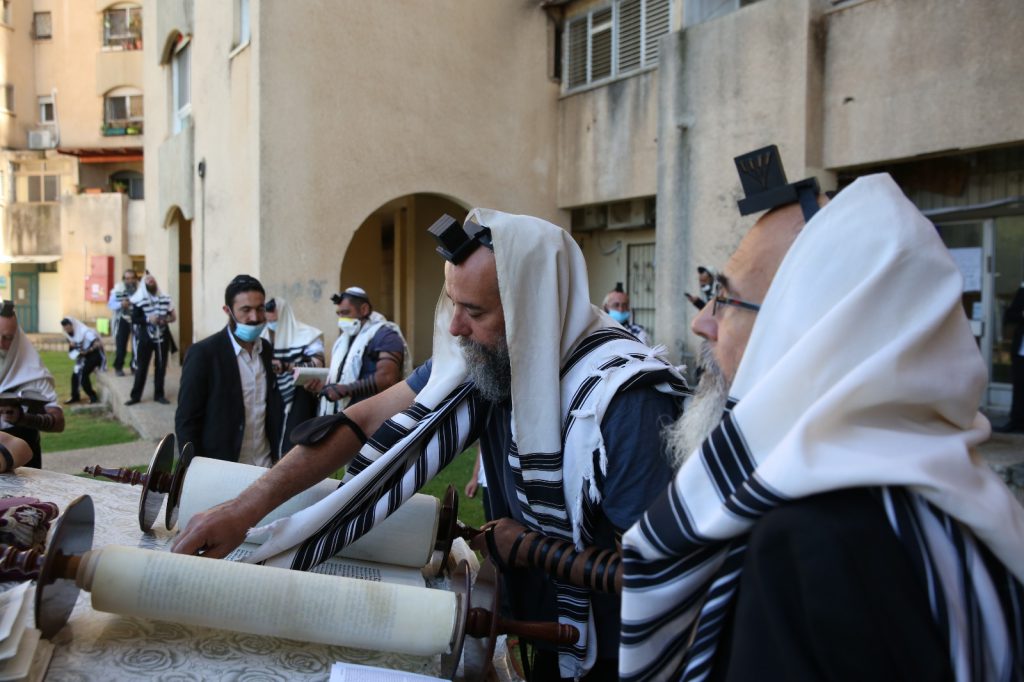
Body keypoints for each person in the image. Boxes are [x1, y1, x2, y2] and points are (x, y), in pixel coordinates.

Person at [172, 211, 686, 679]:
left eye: (475, 311)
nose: (456, 328)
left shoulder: (624, 403)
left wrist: (532, 548)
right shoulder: (484, 361)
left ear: (536, 310)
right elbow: (360, 421)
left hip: (618, 659)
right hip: (532, 633)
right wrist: (244, 511)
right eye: (453, 305)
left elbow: (669, 574)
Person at [618, 146, 1024, 681]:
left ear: (813, 333)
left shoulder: (810, 543)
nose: (704, 323)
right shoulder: (974, 498)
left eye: (726, 298)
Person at [175, 275, 284, 467]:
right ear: (228, 311)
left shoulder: (265, 350)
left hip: (264, 464)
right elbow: (187, 421)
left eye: (260, 309)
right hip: (223, 469)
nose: (255, 318)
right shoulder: (204, 354)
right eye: (246, 310)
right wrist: (193, 469)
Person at [312, 286, 408, 413]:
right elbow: (341, 377)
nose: (341, 319)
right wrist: (322, 386)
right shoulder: (344, 340)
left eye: (345, 313)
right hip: (345, 415)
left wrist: (346, 389)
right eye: (339, 314)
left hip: (374, 416)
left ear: (364, 309)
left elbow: (388, 378)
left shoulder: (386, 335)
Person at [0, 302, 64, 469]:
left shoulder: (34, 374)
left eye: (7, 338)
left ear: (16, 338)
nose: (0, 343)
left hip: (25, 468)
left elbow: (58, 422)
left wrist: (23, 418)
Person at [263, 297, 324, 452]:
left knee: (295, 441)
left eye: (275, 320)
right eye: (268, 320)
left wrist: (287, 366)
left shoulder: (307, 334)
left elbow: (317, 364)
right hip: (271, 394)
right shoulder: (263, 336)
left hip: (300, 394)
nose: (271, 324)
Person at [126, 274, 175, 406]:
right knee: (142, 367)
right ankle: (135, 396)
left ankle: (159, 395)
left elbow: (172, 316)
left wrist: (168, 319)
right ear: (144, 284)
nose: (151, 282)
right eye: (148, 281)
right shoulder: (139, 299)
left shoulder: (164, 298)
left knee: (161, 366)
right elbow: (135, 319)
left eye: (153, 281)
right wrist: (148, 319)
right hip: (145, 337)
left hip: (162, 336)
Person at [997, 282, 1024, 432]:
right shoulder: (1023, 289)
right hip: (1022, 349)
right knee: (1020, 385)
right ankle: (1017, 421)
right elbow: (1011, 314)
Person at [60, 317, 105, 404]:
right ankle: (75, 396)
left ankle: (92, 396)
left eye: (67, 327)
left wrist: (88, 351)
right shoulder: (68, 334)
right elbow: (74, 346)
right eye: (64, 328)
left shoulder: (85, 332)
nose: (66, 329)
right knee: (75, 375)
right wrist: (72, 347)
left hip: (95, 356)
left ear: (72, 325)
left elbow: (97, 343)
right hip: (83, 356)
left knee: (83, 374)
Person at [106, 268, 138, 376]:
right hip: (122, 319)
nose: (130, 281)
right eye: (127, 278)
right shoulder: (118, 290)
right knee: (121, 345)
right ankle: (118, 367)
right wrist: (121, 304)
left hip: (137, 320)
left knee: (137, 345)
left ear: (136, 279)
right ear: (124, 279)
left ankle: (134, 367)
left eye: (132, 278)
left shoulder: (140, 290)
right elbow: (110, 304)